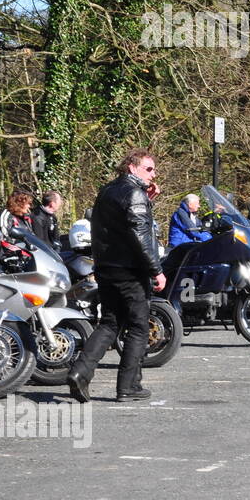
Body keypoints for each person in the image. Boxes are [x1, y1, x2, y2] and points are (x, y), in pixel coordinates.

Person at [67, 149, 166, 403]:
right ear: (132, 168)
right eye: (149, 169)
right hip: (130, 271)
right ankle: (129, 386)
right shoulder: (134, 193)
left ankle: (79, 372)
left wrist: (148, 200)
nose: (153, 174)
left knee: (110, 323)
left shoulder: (107, 190)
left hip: (106, 267)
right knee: (138, 327)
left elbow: (119, 227)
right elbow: (140, 234)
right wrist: (156, 269)